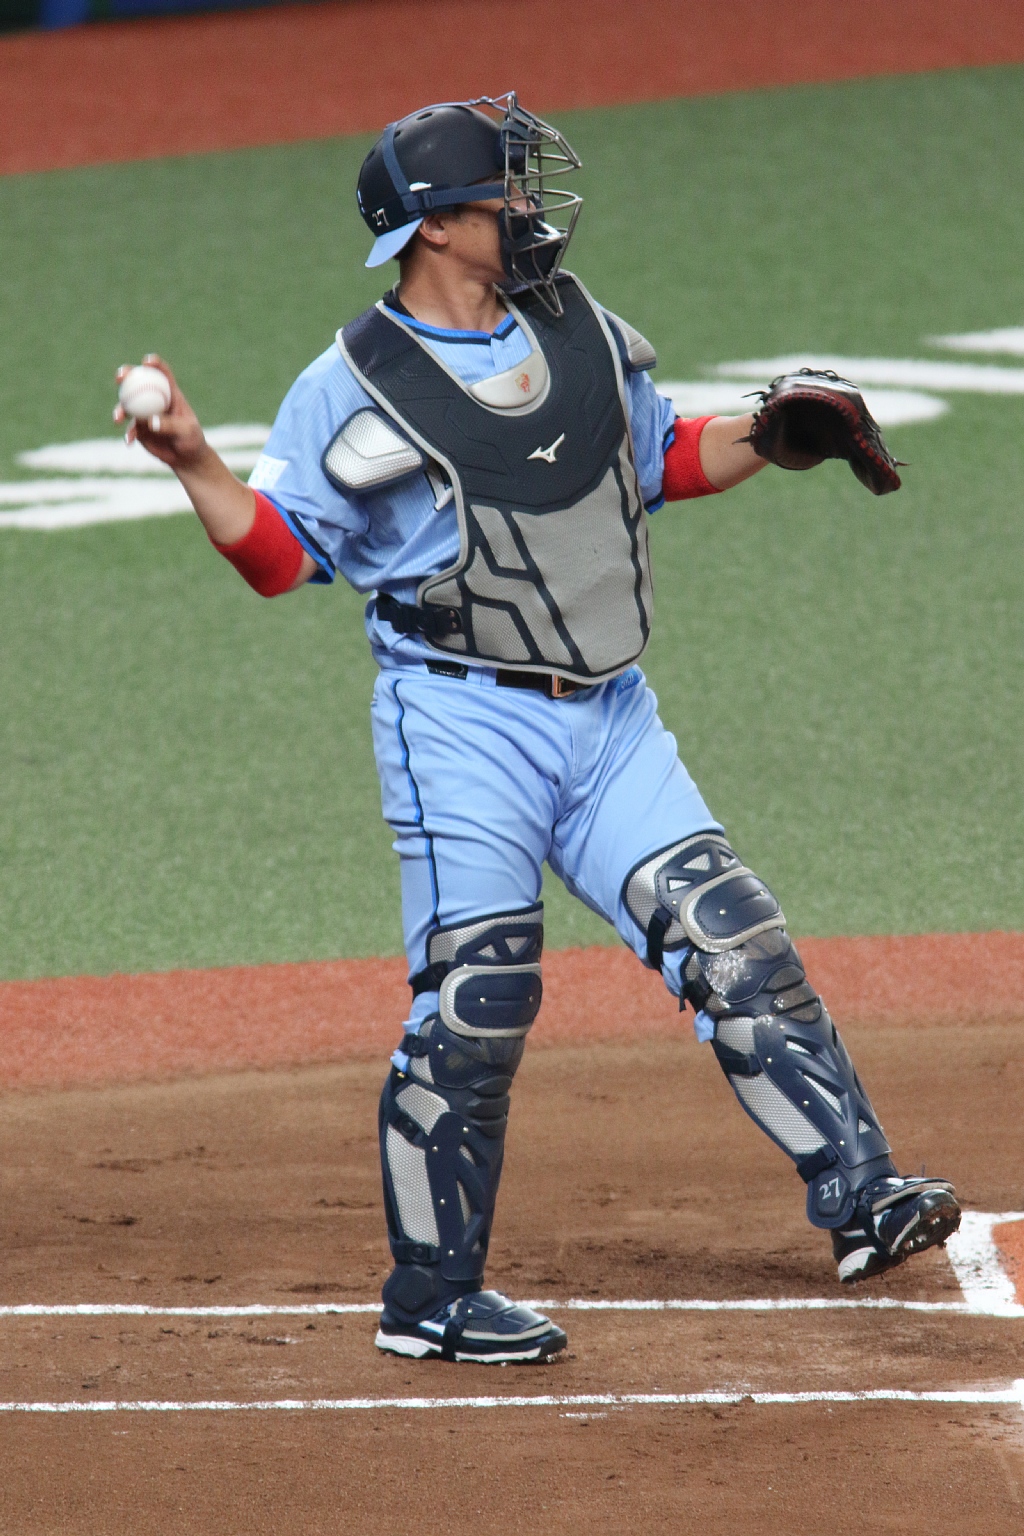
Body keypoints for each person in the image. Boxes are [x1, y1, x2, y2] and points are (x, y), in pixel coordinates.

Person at [115, 94, 960, 1366]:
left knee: (734, 940)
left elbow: (656, 460)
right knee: (480, 996)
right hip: (460, 723)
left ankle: (862, 1195)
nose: (525, 206)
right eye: (501, 190)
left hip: (610, 715)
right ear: (435, 225)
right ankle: (430, 1297)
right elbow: (284, 560)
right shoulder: (351, 386)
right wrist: (192, 457)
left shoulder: (574, 324)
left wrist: (769, 434)